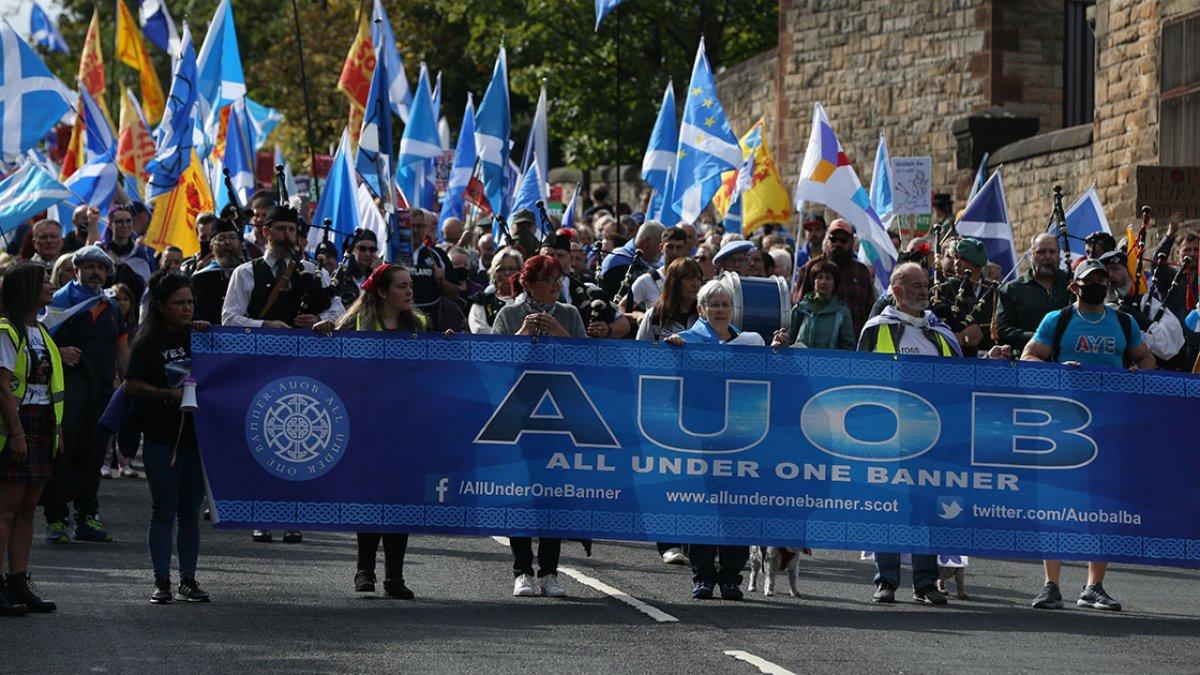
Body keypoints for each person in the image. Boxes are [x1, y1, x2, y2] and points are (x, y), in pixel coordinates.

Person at [1021, 259, 1154, 612]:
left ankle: (1094, 586)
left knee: (1103, 504)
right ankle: (1051, 584)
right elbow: (1030, 356)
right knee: (1057, 501)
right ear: (1074, 286)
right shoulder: (1058, 320)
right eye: (1089, 280)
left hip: (1109, 425)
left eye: (1101, 279)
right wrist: (1057, 370)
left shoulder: (1123, 322)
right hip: (1064, 424)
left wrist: (1135, 373)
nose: (1096, 284)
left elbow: (1146, 359)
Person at [221, 205, 343, 543]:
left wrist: (319, 320)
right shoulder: (246, 273)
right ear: (266, 233)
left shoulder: (314, 272)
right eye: (280, 230)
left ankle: (292, 515)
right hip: (258, 368)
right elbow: (229, 318)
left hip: (303, 369)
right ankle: (260, 515)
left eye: (292, 230)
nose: (287, 236)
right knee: (260, 440)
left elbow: (340, 312)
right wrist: (265, 324)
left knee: (297, 444)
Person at [322, 264, 426, 599]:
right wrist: (323, 334)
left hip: (405, 427)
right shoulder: (355, 325)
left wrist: (447, 345)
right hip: (364, 424)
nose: (409, 292)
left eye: (410, 286)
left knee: (399, 500)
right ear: (382, 291)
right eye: (401, 286)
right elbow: (331, 363)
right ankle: (364, 569)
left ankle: (395, 577)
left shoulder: (419, 325)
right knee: (370, 497)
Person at [856, 263, 958, 605]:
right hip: (887, 436)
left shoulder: (940, 331)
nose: (923, 290)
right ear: (897, 291)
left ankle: (926, 583)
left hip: (932, 436)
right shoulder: (876, 329)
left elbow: (962, 378)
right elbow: (859, 379)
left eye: (925, 284)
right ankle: (886, 580)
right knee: (888, 506)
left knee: (926, 508)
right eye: (916, 285)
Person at [491, 255, 586, 598]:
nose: (556, 285)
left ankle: (549, 572)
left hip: (559, 418)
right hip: (518, 416)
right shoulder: (509, 314)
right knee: (519, 494)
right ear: (528, 284)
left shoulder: (570, 314)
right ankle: (521, 571)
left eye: (558, 279)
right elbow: (496, 363)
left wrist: (561, 334)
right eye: (548, 279)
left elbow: (589, 362)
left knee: (552, 495)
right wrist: (522, 335)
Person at [664, 279, 762, 600]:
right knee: (702, 506)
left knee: (738, 507)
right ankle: (703, 576)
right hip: (700, 438)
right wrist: (673, 352)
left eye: (725, 304)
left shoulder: (749, 343)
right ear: (701, 309)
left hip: (740, 440)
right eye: (714, 304)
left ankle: (732, 576)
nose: (720, 310)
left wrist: (776, 353)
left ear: (733, 309)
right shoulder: (686, 341)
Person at [124, 271, 212, 604]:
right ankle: (162, 581)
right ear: (161, 306)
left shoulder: (200, 336)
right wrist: (166, 395)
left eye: (190, 302)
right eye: (178, 303)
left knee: (190, 512)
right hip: (161, 440)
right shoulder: (148, 342)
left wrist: (211, 334)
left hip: (197, 440)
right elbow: (131, 385)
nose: (187, 308)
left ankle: (188, 579)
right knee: (163, 511)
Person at [41, 245, 128, 544]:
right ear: (76, 270)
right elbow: (38, 340)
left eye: (101, 268)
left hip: (101, 392)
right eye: (89, 266)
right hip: (69, 391)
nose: (95, 272)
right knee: (64, 454)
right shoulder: (60, 300)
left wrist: (128, 382)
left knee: (93, 454)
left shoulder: (111, 305)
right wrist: (60, 351)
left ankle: (87, 517)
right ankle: (56, 519)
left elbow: (121, 346)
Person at [0, 263, 63, 615]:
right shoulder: (6, 330)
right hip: (17, 425)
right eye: (44, 281)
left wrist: (57, 430)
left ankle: (18, 581)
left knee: (27, 510)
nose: (51, 286)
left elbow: (51, 386)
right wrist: (17, 433)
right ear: (26, 288)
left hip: (42, 424)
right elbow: (2, 387)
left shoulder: (41, 330)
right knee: (5, 510)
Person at [635, 257, 703, 566]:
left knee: (695, 476)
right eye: (688, 277)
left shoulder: (706, 315)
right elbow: (640, 355)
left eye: (698, 277)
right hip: (662, 405)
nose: (695, 283)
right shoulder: (656, 316)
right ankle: (668, 541)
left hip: (698, 405)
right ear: (675, 282)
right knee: (668, 474)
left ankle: (693, 540)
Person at [793, 219, 877, 335]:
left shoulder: (861, 272)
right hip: (817, 341)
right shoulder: (811, 267)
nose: (837, 243)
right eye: (833, 238)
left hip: (853, 342)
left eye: (843, 239)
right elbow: (799, 306)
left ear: (852, 241)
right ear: (827, 240)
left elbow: (870, 311)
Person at [994, 233, 1073, 352]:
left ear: (1059, 256)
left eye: (1052, 252)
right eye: (1041, 252)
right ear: (1031, 255)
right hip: (1028, 359)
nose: (1047, 257)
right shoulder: (1012, 290)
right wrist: (1040, 338)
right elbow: (1003, 332)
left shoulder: (1072, 285)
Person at [930, 237, 994, 357]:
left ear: (977, 264)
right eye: (956, 258)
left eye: (963, 259)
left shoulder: (993, 291)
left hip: (987, 356)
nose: (956, 263)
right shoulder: (944, 289)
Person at [774, 260, 855, 350]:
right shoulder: (800, 308)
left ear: (834, 284)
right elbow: (790, 340)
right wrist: (782, 340)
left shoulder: (842, 313)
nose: (823, 282)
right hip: (800, 358)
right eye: (820, 277)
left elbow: (848, 348)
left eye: (828, 278)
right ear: (813, 281)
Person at [190, 218, 243, 325]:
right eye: (221, 239)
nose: (227, 242)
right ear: (211, 247)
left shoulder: (252, 273)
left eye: (232, 237)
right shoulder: (200, 278)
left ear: (241, 244)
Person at [629, 228, 689, 310]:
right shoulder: (647, 280)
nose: (674, 252)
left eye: (679, 247)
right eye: (670, 247)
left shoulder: (694, 280)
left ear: (685, 249)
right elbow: (623, 308)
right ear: (661, 248)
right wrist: (639, 315)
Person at [468, 250, 523, 334]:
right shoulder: (482, 301)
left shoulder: (527, 301)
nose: (507, 273)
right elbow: (479, 330)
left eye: (511, 269)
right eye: (501, 269)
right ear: (494, 273)